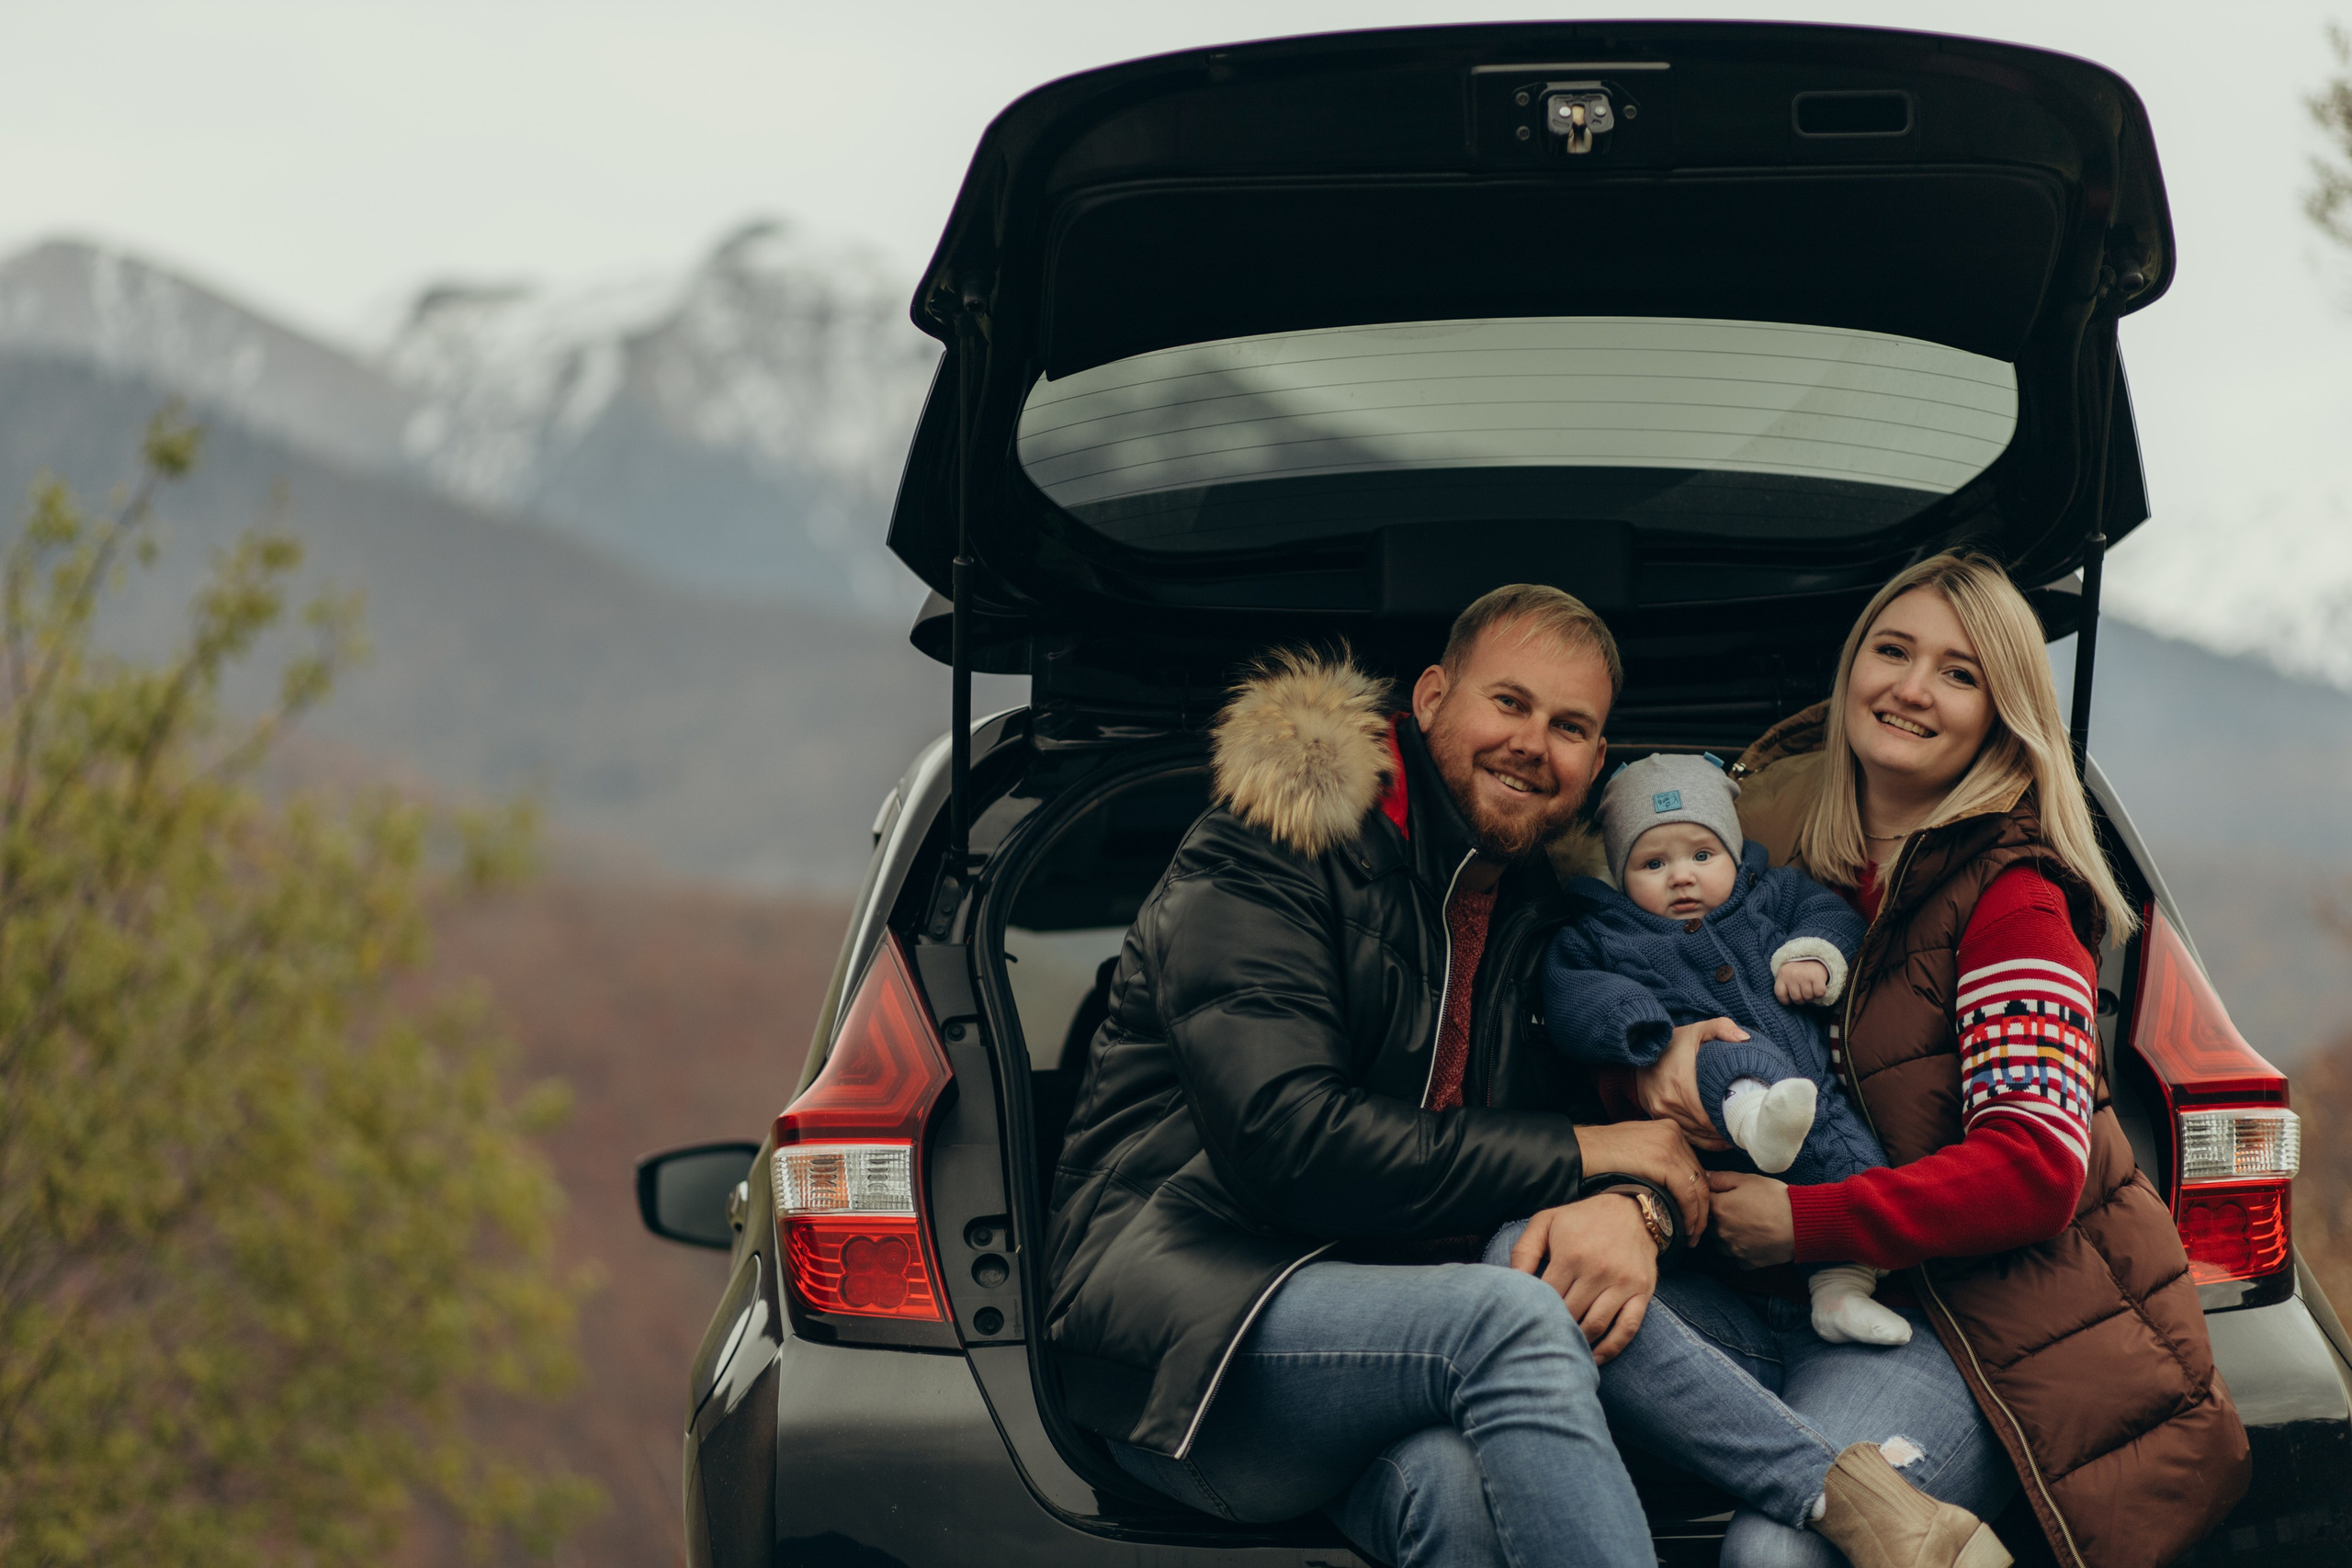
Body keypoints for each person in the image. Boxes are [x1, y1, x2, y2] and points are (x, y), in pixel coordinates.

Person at [1570, 552, 2248, 1568]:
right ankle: (1828, 1486)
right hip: (1790, 1306)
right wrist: (1643, 1081)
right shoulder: (1792, 892)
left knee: (1774, 1553)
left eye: (1958, 672)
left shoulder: (2012, 901)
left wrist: (1803, 1225)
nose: (1911, 687)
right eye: (1891, 651)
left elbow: (2037, 1168)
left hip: (1967, 1332)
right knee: (1530, 1279)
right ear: (1852, 669)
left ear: (2000, 715)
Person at [1042, 585, 1708, 1568]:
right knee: (1510, 1320)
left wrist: (1629, 1201)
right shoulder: (1270, 847)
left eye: (1571, 727)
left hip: (1385, 1353)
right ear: (1431, 697)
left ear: (1595, 762)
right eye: (1509, 703)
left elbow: (1613, 1123)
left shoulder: (1541, 915)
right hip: (1189, 1333)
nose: (1535, 743)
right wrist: (1587, 1151)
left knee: (1454, 1489)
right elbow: (1290, 1140)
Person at [1500, 751, 1906, 1348]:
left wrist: (1812, 955)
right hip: (1705, 1090)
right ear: (1619, 872)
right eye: (1653, 861)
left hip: (1813, 1092)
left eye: (1701, 854)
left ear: (1734, 852)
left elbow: (1832, 916)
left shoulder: (1773, 892)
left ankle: (1840, 1293)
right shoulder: (1605, 931)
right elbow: (1576, 993)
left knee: (1855, 1163)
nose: (1681, 875)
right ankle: (1754, 1115)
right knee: (1725, 1054)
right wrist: (1640, 1023)